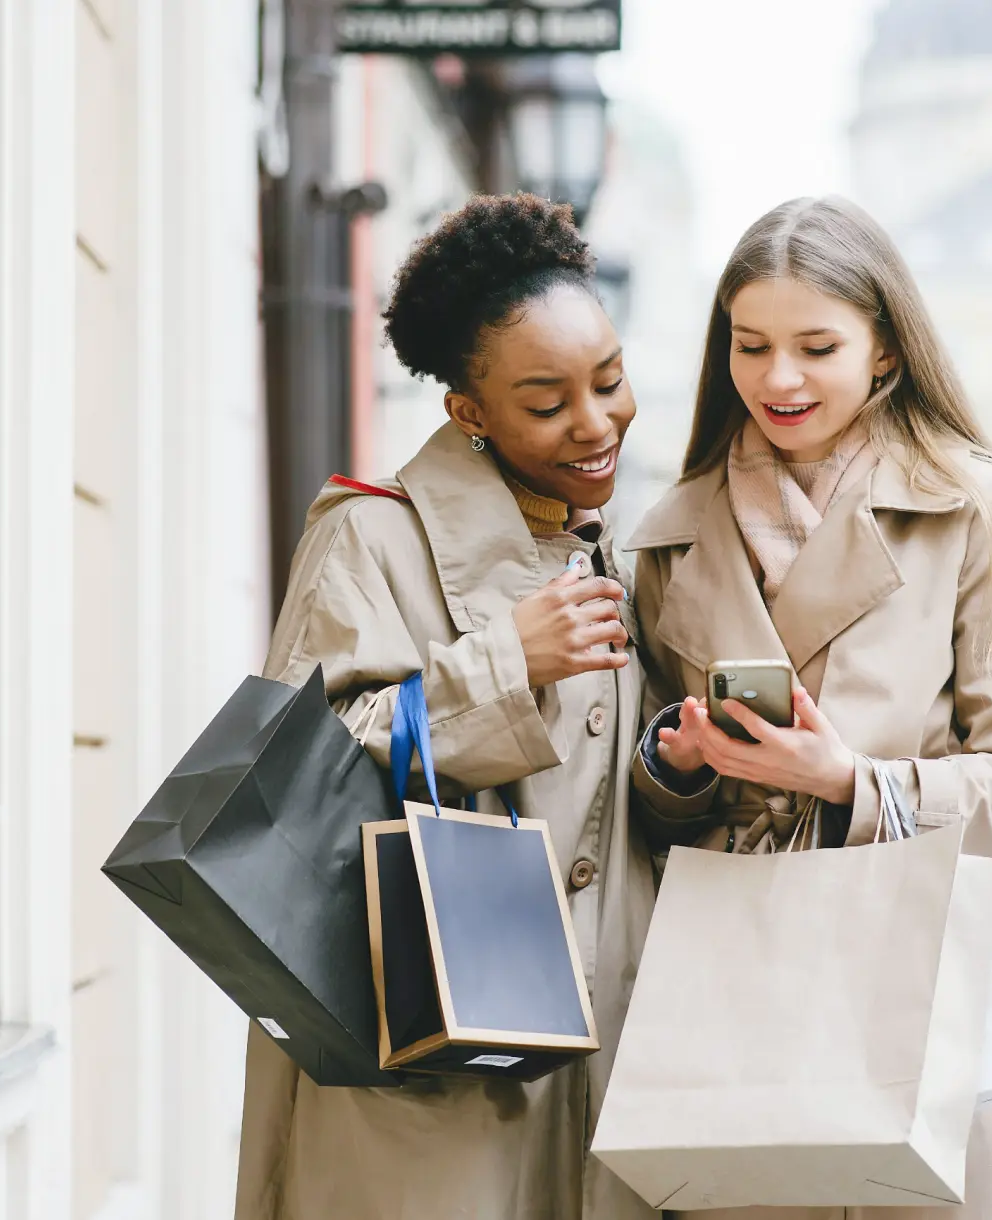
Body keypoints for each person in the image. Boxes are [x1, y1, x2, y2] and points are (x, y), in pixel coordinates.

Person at [623, 196, 992, 1218]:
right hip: (740, 1001)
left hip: (930, 995)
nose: (778, 378)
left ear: (885, 352)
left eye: (816, 346)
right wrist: (680, 766)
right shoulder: (667, 536)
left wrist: (854, 784)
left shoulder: (982, 514)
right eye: (751, 345)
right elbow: (641, 809)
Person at [237, 194, 660, 1220]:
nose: (595, 421)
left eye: (608, 379)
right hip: (426, 1065)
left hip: (594, 1067)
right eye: (547, 401)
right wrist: (503, 660)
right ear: (467, 411)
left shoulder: (615, 546)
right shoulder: (373, 538)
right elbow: (300, 780)